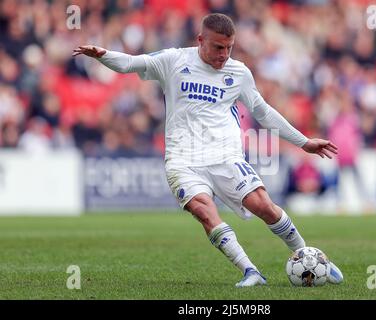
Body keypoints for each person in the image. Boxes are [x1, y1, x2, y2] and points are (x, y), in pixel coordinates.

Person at [73, 13, 343, 287]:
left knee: (264, 207)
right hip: (183, 159)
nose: (224, 54)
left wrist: (303, 142)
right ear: (200, 40)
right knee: (204, 211)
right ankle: (250, 271)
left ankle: (311, 257)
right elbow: (131, 63)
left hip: (225, 156)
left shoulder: (238, 73)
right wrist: (102, 54)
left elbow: (263, 111)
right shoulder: (174, 60)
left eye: (229, 47)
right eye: (217, 47)